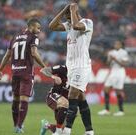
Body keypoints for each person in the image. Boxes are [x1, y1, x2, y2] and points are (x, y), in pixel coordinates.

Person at [49, 3, 94, 135]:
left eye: (68, 15)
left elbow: (76, 25)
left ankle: (66, 130)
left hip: (82, 65)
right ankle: (89, 131)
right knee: (80, 98)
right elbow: (52, 26)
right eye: (67, 16)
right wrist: (64, 10)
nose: (67, 19)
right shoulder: (69, 24)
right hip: (71, 67)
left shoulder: (87, 22)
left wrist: (73, 10)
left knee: (72, 95)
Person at [0, 18, 46, 133]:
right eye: (38, 28)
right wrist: (44, 66)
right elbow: (34, 53)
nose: (38, 31)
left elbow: (7, 55)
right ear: (31, 26)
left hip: (15, 72)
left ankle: (15, 126)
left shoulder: (14, 38)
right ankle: (19, 125)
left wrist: (0, 70)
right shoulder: (33, 37)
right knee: (24, 100)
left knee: (15, 100)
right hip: (26, 72)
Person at [98, 40, 129, 116]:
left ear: (121, 45)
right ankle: (107, 109)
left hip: (120, 72)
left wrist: (115, 59)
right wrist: (110, 59)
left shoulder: (124, 52)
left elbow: (123, 64)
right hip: (113, 71)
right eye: (115, 44)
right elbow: (108, 64)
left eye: (118, 44)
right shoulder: (111, 52)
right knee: (106, 89)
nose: (116, 45)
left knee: (118, 91)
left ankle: (121, 110)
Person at [39, 65, 69, 135]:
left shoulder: (80, 76)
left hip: (65, 102)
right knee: (64, 103)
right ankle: (57, 133)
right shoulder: (63, 68)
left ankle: (46, 125)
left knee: (64, 130)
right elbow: (44, 70)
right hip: (53, 96)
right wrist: (54, 77)